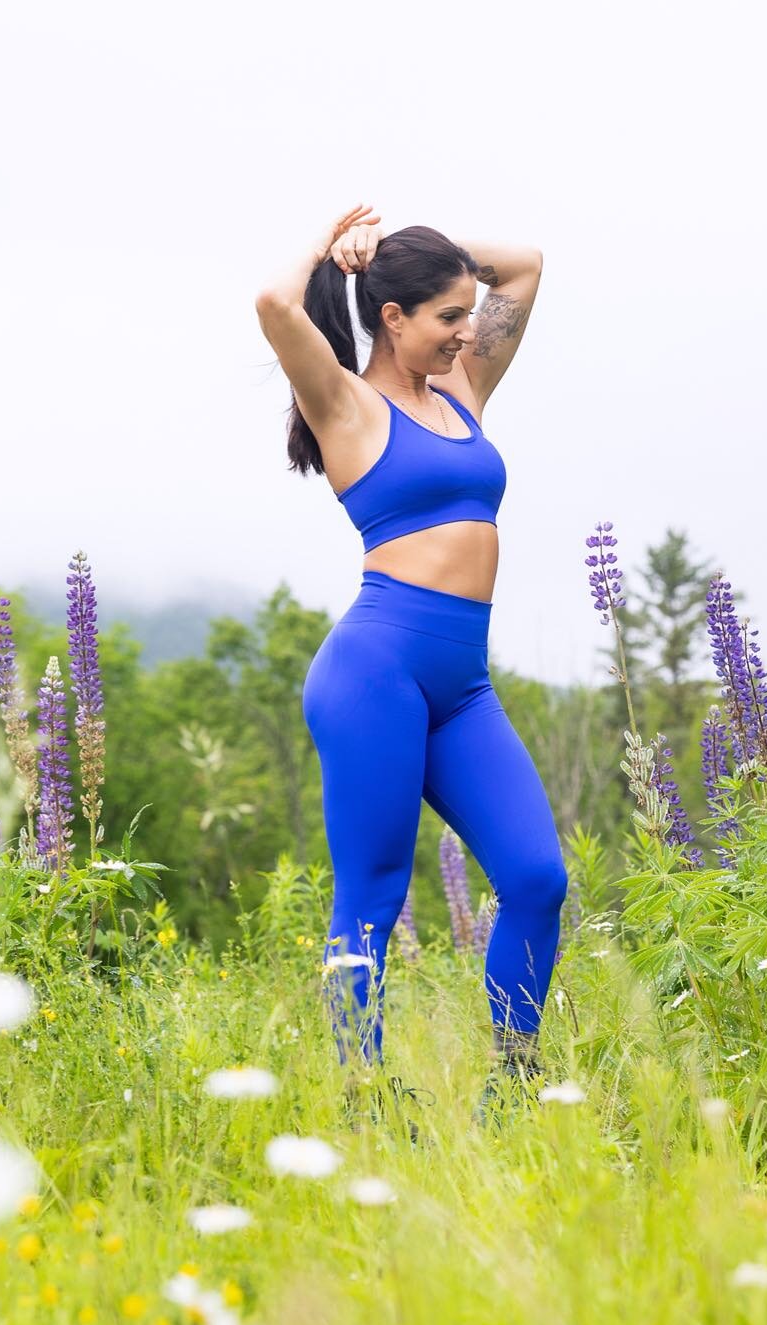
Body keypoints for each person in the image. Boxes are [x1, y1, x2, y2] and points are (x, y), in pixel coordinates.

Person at [254, 204, 569, 1132]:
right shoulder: (345, 403)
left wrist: (414, 230)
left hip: (461, 685)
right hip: (375, 674)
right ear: (393, 319)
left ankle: (512, 1094)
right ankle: (363, 1101)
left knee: (537, 877)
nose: (468, 330)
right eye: (446, 317)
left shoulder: (463, 389)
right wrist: (332, 237)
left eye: (469, 315)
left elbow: (528, 264)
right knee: (376, 892)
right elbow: (275, 300)